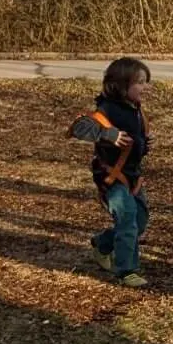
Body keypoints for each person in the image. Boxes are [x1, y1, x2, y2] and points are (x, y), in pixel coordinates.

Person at [69, 56, 153, 289]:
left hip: (133, 175)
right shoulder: (107, 109)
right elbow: (79, 127)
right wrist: (109, 134)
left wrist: (144, 143)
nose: (146, 88)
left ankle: (103, 244)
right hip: (113, 177)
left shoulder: (134, 108)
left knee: (140, 220)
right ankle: (126, 270)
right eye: (140, 82)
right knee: (127, 218)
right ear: (120, 85)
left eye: (146, 82)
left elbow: (135, 138)